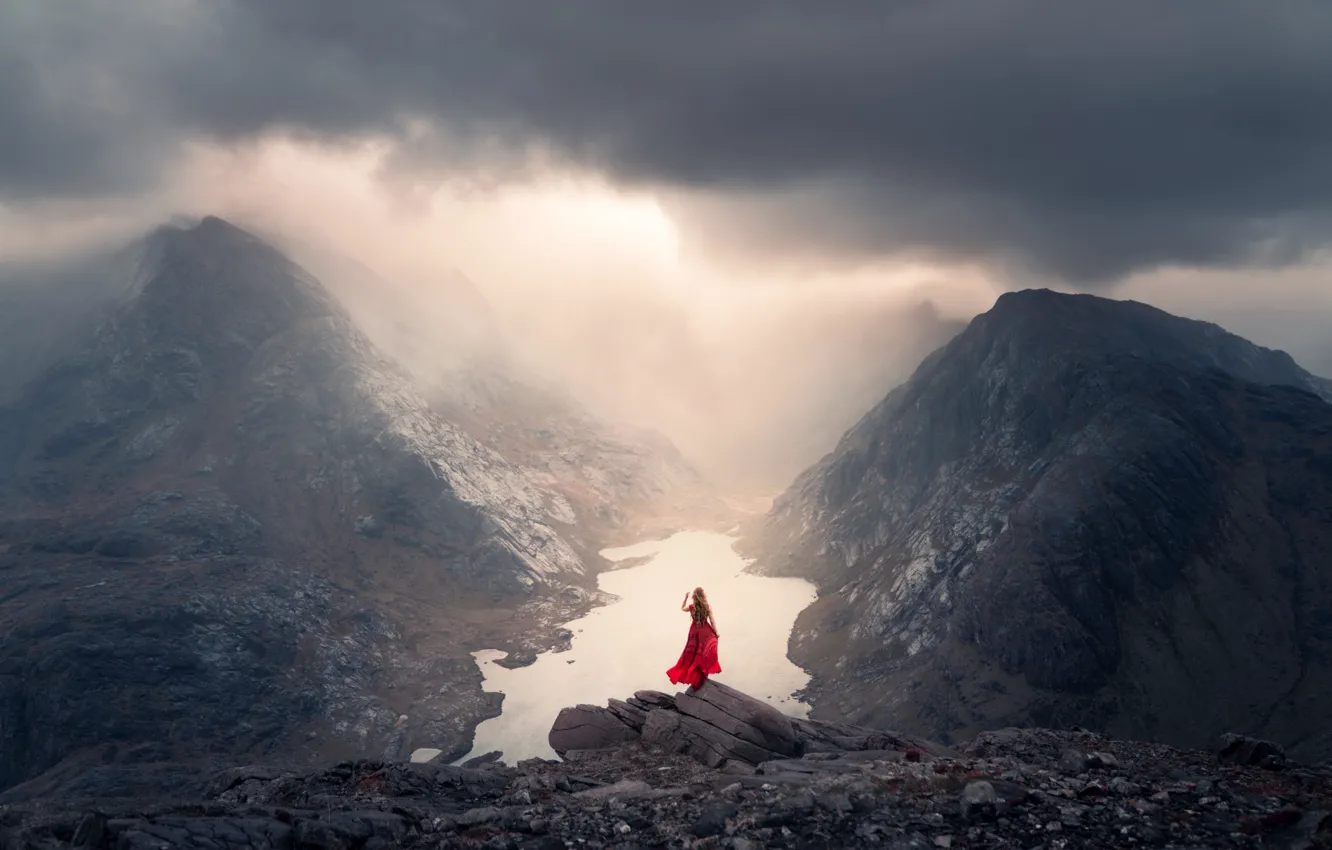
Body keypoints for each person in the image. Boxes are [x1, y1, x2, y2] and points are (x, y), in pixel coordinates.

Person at [666, 586, 722, 690]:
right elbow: (712, 621)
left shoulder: (692, 607)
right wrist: (716, 632)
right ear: (703, 595)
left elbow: (682, 608)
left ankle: (695, 676)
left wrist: (685, 598)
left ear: (694, 597)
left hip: (694, 632)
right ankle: (703, 674)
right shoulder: (707, 607)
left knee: (692, 655)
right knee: (704, 652)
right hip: (705, 631)